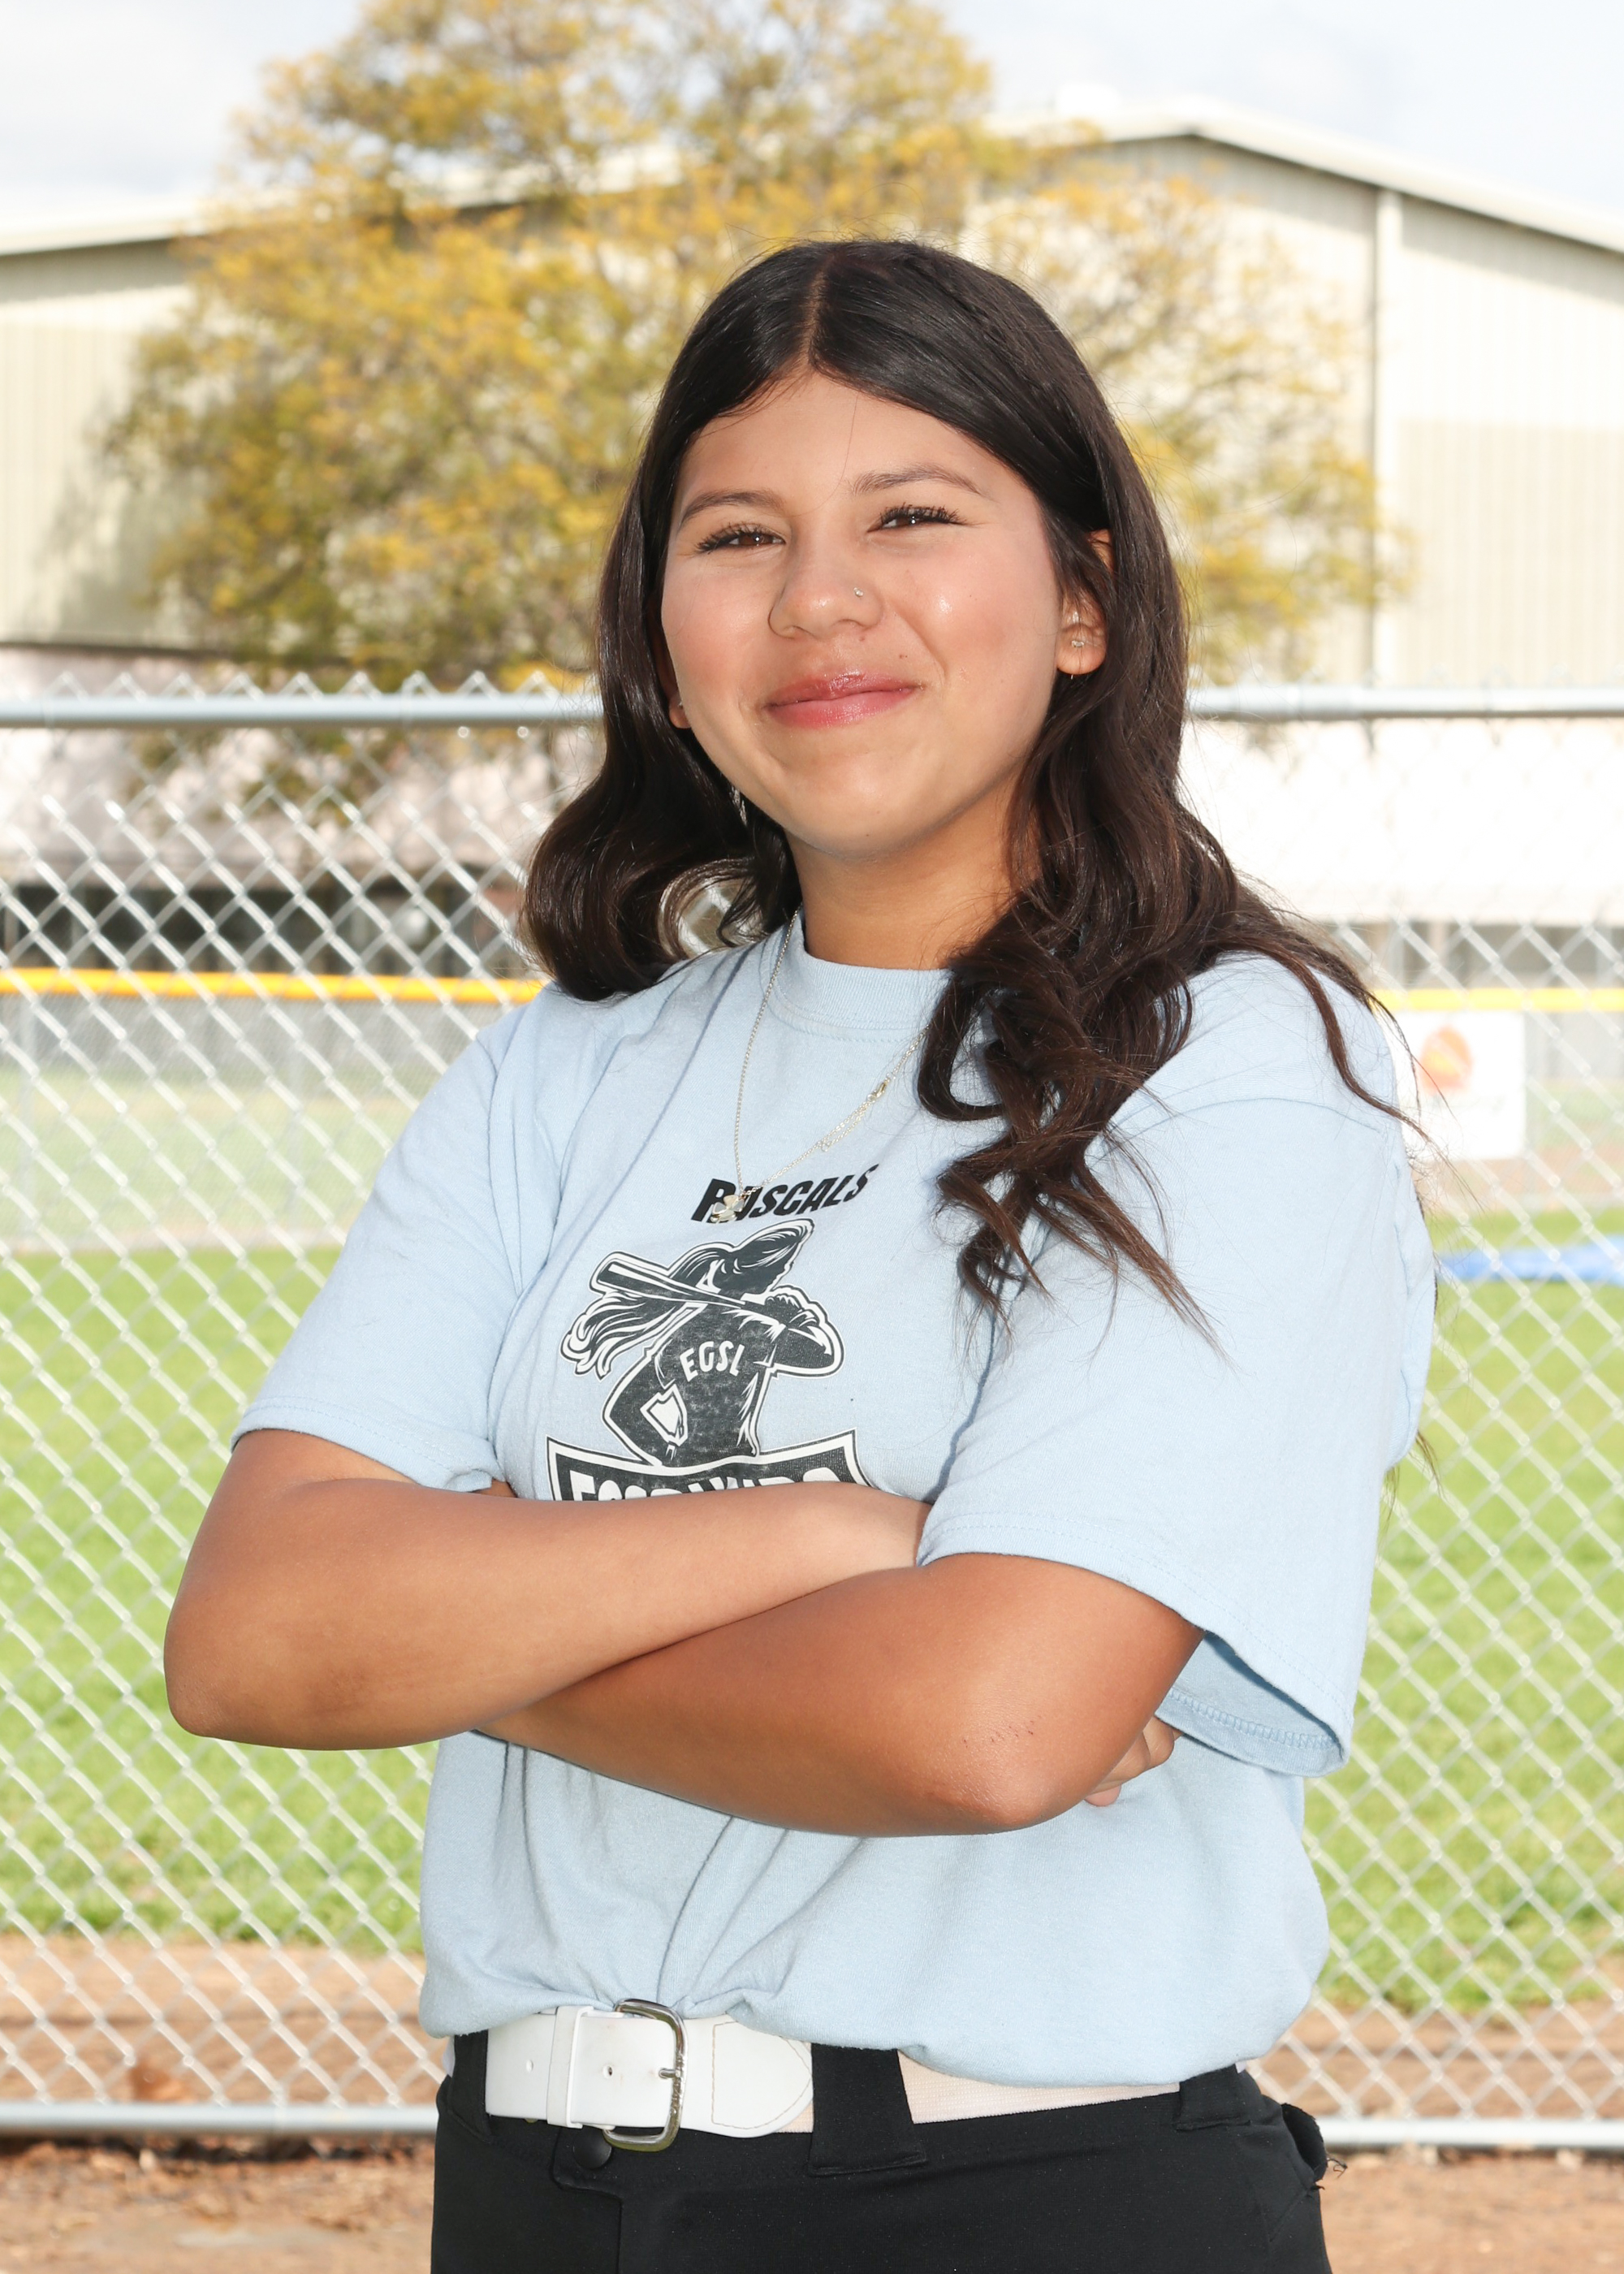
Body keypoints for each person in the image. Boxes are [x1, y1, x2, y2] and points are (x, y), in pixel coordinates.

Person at [165, 240, 1434, 2272]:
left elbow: (989, 1725)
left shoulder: (1228, 1063)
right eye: (738, 534)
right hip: (537, 2182)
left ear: (1085, 599)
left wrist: (465, 1633)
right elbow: (250, 1636)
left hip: (1023, 2197)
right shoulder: (564, 1075)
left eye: (911, 517)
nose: (819, 599)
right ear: (661, 631)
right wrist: (844, 1538)